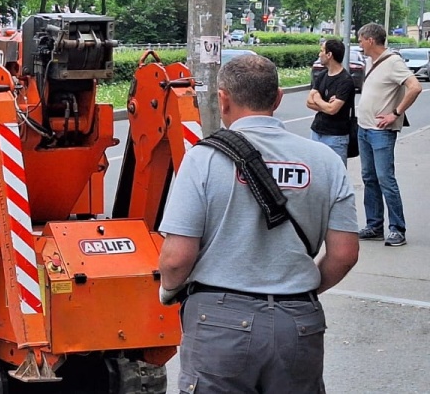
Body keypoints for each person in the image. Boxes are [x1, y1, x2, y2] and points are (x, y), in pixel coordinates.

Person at [158, 54, 359, 394]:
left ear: (223, 99)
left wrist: (168, 291)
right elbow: (345, 254)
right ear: (278, 98)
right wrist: (298, 291)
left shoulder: (203, 159)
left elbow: (177, 258)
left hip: (218, 323)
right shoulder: (325, 161)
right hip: (298, 323)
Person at [355, 22, 421, 247]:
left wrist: (395, 113)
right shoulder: (370, 62)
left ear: (371, 40)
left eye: (361, 40)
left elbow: (415, 87)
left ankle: (397, 229)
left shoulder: (393, 62)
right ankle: (374, 226)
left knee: (385, 178)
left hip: (381, 131)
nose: (359, 44)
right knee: (369, 178)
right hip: (364, 128)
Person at [306, 38, 355, 166]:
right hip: (316, 132)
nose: (319, 54)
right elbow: (309, 102)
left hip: (336, 137)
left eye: (322, 51)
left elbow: (333, 110)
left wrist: (318, 99)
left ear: (329, 55)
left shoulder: (345, 80)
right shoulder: (322, 75)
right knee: (316, 171)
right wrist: (326, 104)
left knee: (336, 173)